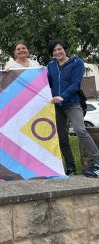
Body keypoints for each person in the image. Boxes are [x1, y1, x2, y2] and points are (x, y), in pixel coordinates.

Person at [47, 39, 99, 177]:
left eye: (60, 49)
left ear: (64, 49)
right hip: (57, 106)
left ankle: (97, 161)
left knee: (79, 130)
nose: (58, 52)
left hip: (72, 103)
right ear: (52, 54)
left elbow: (76, 84)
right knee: (62, 137)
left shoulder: (77, 63)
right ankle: (70, 166)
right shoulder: (51, 65)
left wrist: (63, 96)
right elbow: (45, 82)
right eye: (54, 50)